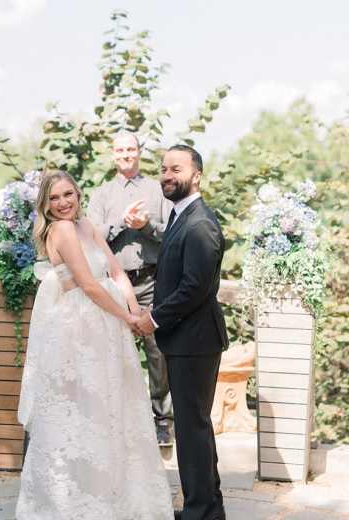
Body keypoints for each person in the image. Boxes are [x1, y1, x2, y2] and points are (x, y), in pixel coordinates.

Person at [16, 170, 173, 519]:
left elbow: (116, 272)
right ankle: (78, 500)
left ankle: (119, 493)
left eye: (67, 194)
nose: (62, 203)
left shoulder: (85, 224)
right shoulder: (61, 230)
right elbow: (88, 284)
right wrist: (127, 318)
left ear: (77, 193)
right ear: (45, 204)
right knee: (84, 408)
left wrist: (135, 310)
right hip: (81, 326)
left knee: (115, 404)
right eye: (54, 198)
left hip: (109, 321)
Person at [135, 145, 229, 520]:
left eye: (176, 168)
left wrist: (154, 318)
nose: (167, 175)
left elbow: (195, 287)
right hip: (185, 341)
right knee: (194, 430)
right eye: (163, 169)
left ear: (197, 175)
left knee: (193, 431)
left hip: (196, 341)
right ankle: (207, 508)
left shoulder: (201, 223)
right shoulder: (179, 216)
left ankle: (199, 512)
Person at [87, 132, 174, 445]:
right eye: (119, 149)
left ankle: (162, 421)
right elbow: (91, 240)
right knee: (113, 351)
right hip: (113, 284)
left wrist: (146, 226)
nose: (125, 154)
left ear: (140, 152)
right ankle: (116, 420)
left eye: (131, 148)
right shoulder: (101, 195)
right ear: (113, 154)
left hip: (152, 281)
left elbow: (172, 236)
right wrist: (123, 223)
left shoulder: (157, 190)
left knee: (157, 353)